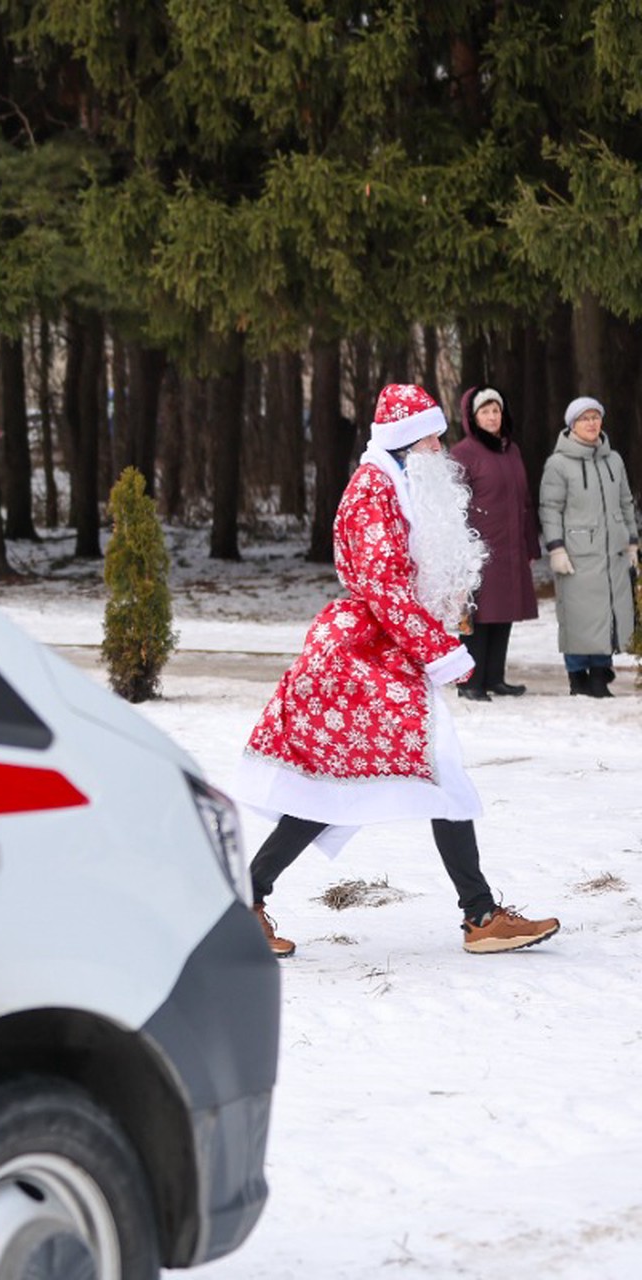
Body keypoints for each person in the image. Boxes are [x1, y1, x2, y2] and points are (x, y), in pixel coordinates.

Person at [236, 384, 560, 958]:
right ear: (406, 441)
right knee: (390, 778)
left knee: (351, 785)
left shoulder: (399, 484)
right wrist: (440, 650)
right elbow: (384, 587)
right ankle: (479, 915)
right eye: (432, 436)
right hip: (362, 655)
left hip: (386, 652)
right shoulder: (372, 490)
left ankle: (245, 900)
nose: (440, 446)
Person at [539, 395, 638, 697]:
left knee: (607, 613)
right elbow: (550, 508)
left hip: (612, 553)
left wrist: (632, 542)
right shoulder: (558, 464)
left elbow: (626, 502)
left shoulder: (613, 460)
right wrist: (556, 548)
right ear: (572, 425)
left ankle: (599, 675)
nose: (592, 423)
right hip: (576, 553)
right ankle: (577, 675)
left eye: (595, 417)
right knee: (579, 616)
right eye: (585, 419)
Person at [449, 386, 540, 700]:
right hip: (478, 550)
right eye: (485, 411)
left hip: (511, 546)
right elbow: (453, 505)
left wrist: (530, 545)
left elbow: (525, 501)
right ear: (473, 417)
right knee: (479, 615)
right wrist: (459, 550)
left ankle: (494, 677)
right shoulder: (463, 453)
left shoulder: (511, 451)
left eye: (496, 411)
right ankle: (470, 682)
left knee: (504, 612)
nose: (492, 417)